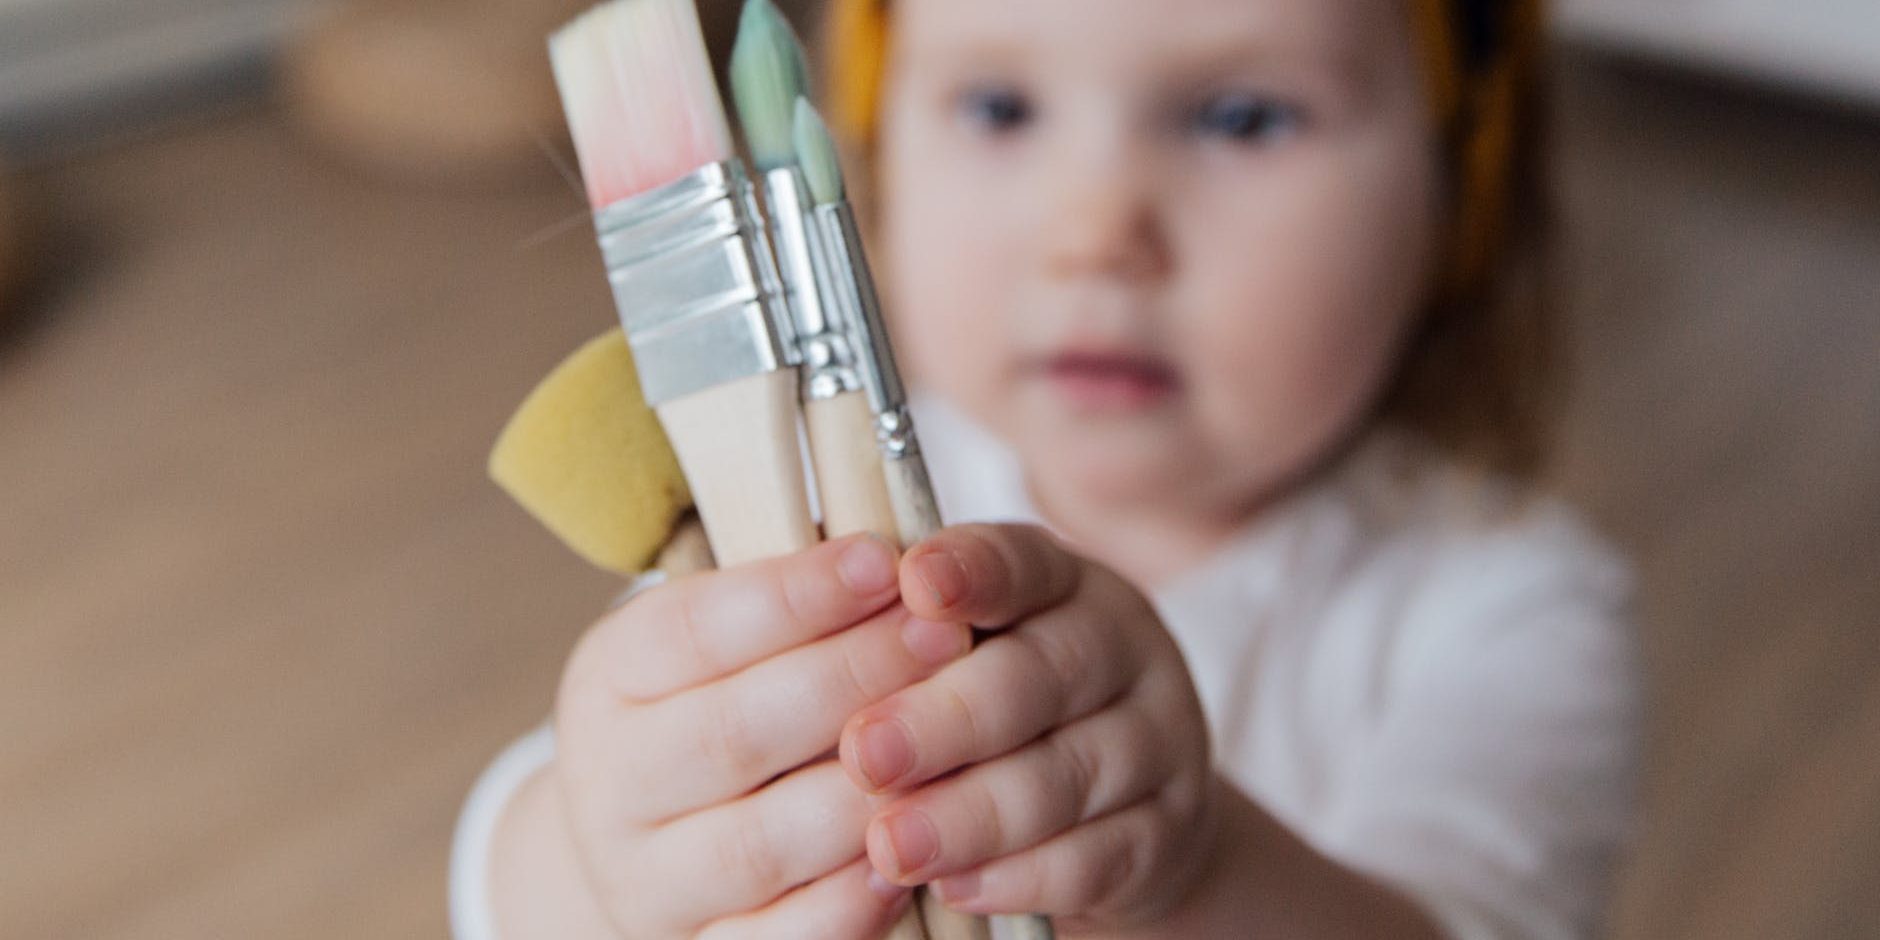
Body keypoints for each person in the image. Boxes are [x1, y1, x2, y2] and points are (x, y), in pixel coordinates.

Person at [453, 0, 1641, 936]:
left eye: (1241, 118)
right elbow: (503, 890)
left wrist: (1195, 875)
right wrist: (594, 860)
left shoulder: (1509, 616)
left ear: (1461, 183)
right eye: (1001, 107)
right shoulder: (788, 507)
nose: (1093, 229)